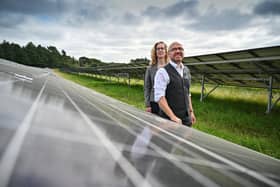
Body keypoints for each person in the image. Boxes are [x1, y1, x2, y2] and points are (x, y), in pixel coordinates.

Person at [154, 41, 196, 126]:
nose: (178, 51)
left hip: (186, 118)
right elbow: (159, 97)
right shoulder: (162, 72)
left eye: (180, 49)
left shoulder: (186, 70)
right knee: (168, 139)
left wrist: (191, 112)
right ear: (168, 54)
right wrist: (173, 117)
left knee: (185, 139)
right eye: (174, 49)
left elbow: (188, 93)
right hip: (169, 120)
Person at [144, 41, 168, 114]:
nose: (160, 50)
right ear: (155, 52)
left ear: (166, 51)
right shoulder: (150, 69)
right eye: (158, 49)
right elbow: (147, 87)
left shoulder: (170, 67)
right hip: (154, 101)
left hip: (168, 101)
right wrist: (148, 105)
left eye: (162, 48)